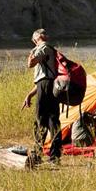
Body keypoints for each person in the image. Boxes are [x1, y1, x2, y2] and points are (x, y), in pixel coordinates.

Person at [21, 28, 62, 165]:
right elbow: (43, 80)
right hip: (50, 86)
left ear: (35, 38)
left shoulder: (42, 47)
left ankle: (38, 154)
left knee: (41, 119)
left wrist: (31, 53)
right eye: (42, 32)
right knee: (52, 120)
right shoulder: (48, 48)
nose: (44, 34)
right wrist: (30, 95)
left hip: (46, 85)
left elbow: (30, 64)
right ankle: (54, 157)